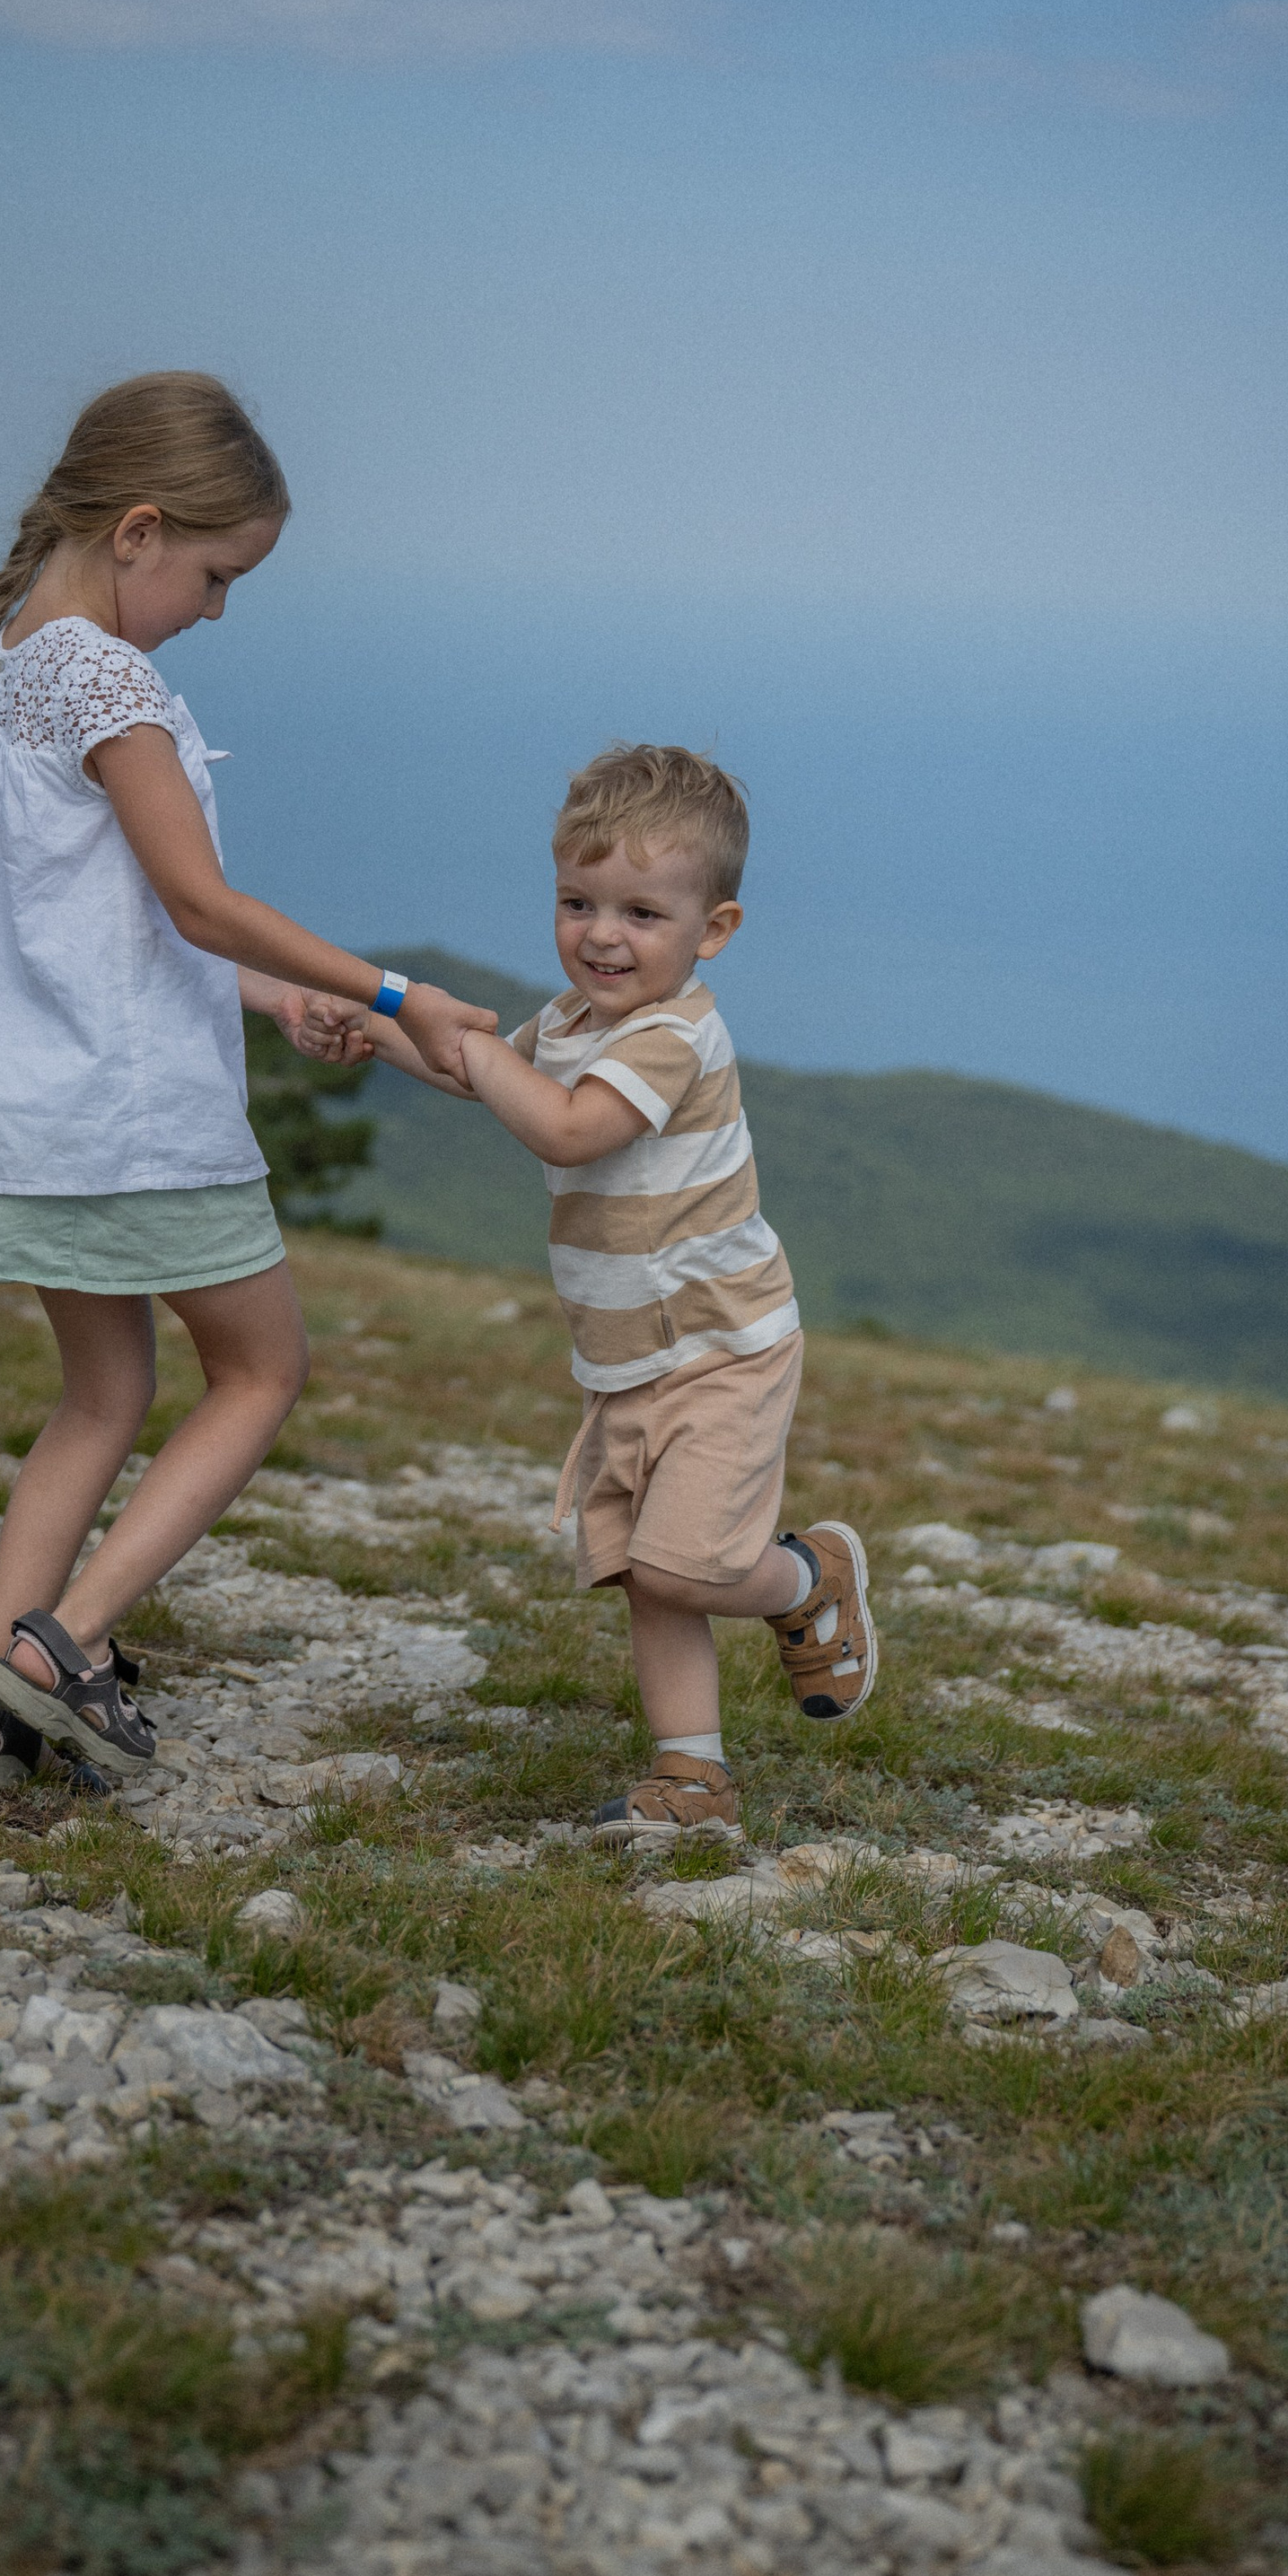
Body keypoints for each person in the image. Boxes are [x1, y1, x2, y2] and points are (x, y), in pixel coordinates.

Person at [0, 371, 492, 1798]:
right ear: (139, 530)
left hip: (31, 1118)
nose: (216, 610)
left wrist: (283, 998)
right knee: (262, 1370)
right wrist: (399, 994)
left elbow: (109, 921)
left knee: (102, 1397)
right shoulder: (106, 678)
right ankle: (56, 1652)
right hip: (129, 1125)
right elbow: (199, 902)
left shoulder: (16, 660)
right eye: (215, 576)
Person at [337, 743, 876, 1844]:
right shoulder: (572, 1024)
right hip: (627, 1358)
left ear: (712, 930)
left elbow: (567, 1127)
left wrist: (468, 1042)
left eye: (640, 912)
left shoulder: (674, 1037)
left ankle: (805, 1578)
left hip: (722, 1349)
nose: (600, 935)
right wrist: (376, 1032)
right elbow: (476, 1072)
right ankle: (692, 1777)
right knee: (645, 1574)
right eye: (576, 902)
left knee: (688, 1566)